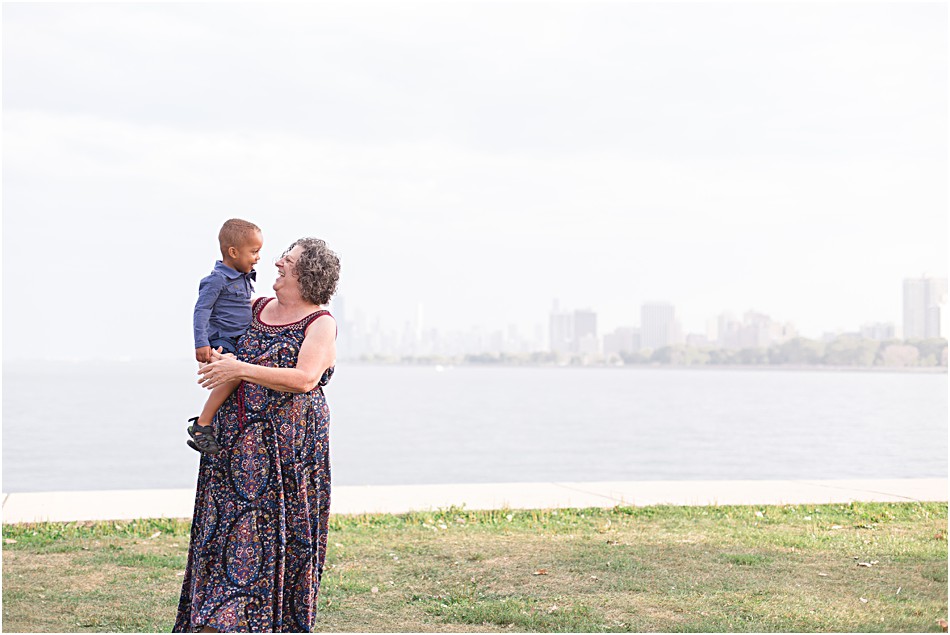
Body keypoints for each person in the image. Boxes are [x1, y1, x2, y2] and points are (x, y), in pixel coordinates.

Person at [174, 237, 340, 633]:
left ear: (309, 273)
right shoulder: (253, 308)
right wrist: (217, 354)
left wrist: (241, 369)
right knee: (224, 533)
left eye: (291, 258)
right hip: (234, 449)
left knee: (283, 538)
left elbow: (304, 379)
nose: (279, 261)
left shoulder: (321, 323)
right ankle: (215, 622)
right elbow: (220, 341)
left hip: (290, 453)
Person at [188, 219, 263, 454]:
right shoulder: (216, 280)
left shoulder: (242, 277)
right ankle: (202, 424)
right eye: (254, 252)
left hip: (240, 339)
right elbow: (201, 310)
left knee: (240, 373)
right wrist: (201, 343)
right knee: (233, 372)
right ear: (233, 252)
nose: (258, 257)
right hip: (222, 339)